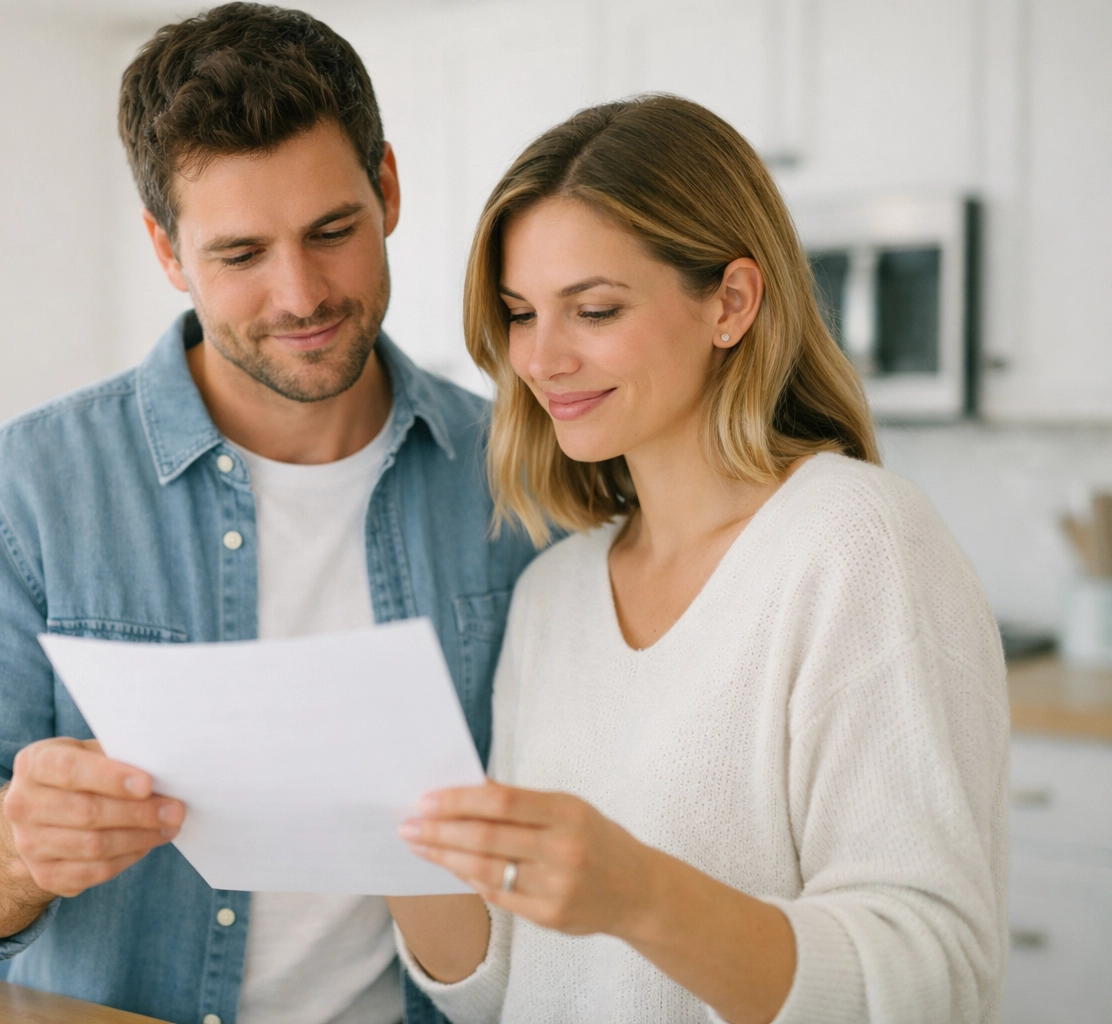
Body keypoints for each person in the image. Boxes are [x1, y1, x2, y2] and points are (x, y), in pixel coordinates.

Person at [0, 5, 536, 1023]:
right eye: (240, 254)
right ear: (167, 251)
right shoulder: (18, 495)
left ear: (387, 188)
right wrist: (11, 840)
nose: (300, 293)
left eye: (332, 231)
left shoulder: (524, 480)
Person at [387, 96, 1009, 1024]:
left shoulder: (857, 546)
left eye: (593, 309)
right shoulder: (555, 591)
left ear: (730, 302)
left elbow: (936, 976)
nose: (541, 359)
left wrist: (640, 895)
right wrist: (384, 829)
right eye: (520, 314)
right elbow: (507, 989)